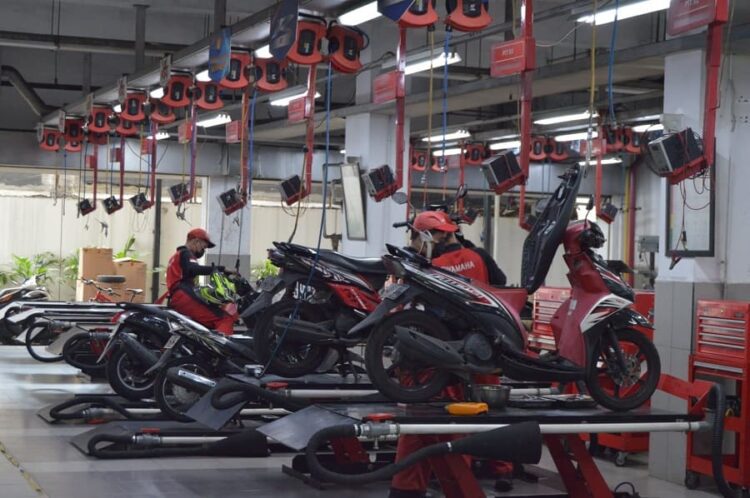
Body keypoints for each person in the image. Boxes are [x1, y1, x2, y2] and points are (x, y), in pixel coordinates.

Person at [389, 211, 510, 498]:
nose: (416, 245)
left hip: (439, 353)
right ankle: (500, 470)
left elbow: (409, 307)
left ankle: (410, 488)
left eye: (417, 238)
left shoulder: (428, 266)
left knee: (424, 420)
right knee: (485, 415)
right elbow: (500, 284)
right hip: (482, 350)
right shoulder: (480, 257)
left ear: (432, 235)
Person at [165, 228, 235, 335]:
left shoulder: (177, 255)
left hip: (179, 296)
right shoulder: (186, 254)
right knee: (224, 319)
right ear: (196, 241)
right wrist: (221, 269)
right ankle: (220, 346)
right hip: (184, 295)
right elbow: (194, 269)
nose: (203, 250)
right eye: (203, 247)